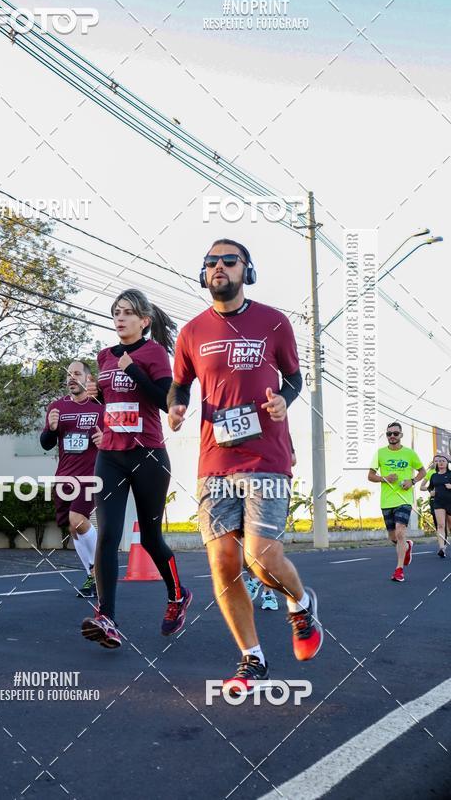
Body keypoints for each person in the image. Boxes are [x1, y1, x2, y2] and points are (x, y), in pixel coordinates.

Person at [167, 239, 322, 693]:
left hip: (265, 457)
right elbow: (180, 384)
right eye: (210, 262)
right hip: (214, 461)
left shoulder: (273, 322)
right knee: (222, 563)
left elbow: (294, 377)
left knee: (260, 558)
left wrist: (283, 400)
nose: (219, 266)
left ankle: (301, 603)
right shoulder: (192, 331)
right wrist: (175, 406)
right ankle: (252, 658)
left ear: (246, 271)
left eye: (228, 260)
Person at [81, 289, 191, 649]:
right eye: (116, 312)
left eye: (127, 312)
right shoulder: (104, 356)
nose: (120, 317)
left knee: (150, 538)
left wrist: (134, 371)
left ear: (144, 321)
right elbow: (114, 401)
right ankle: (107, 618)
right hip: (110, 455)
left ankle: (177, 595)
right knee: (108, 536)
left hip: (148, 455)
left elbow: (165, 401)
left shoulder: (154, 353)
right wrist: (98, 395)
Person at [40, 360, 104, 597]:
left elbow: (120, 439)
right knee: (73, 527)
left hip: (92, 475)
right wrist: (51, 429)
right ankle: (92, 577)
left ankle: (100, 571)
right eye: (68, 374)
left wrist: (106, 441)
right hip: (64, 477)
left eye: (76, 373)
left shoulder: (101, 407)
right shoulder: (57, 406)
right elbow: (46, 444)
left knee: (77, 520)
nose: (71, 378)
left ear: (88, 378)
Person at [243, 437, 297, 612]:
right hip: (243, 485)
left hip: (272, 485)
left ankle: (268, 593)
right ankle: (255, 578)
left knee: (267, 547)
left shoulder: (278, 429)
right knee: (242, 546)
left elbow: (293, 459)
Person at [368, 423, 425, 582]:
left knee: (400, 532)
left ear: (401, 435)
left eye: (395, 433)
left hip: (404, 499)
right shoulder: (380, 453)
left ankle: (399, 570)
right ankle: (407, 546)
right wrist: (384, 478)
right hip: (387, 501)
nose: (392, 436)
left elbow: (422, 471)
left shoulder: (409, 453)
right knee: (393, 537)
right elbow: (370, 476)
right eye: (389, 434)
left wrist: (412, 481)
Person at [426, 453, 451, 557]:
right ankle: (442, 548)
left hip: (450, 502)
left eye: (443, 461)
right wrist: (431, 492)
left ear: (447, 463)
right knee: (440, 525)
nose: (440, 463)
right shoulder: (434, 476)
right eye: (439, 461)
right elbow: (430, 487)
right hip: (438, 502)